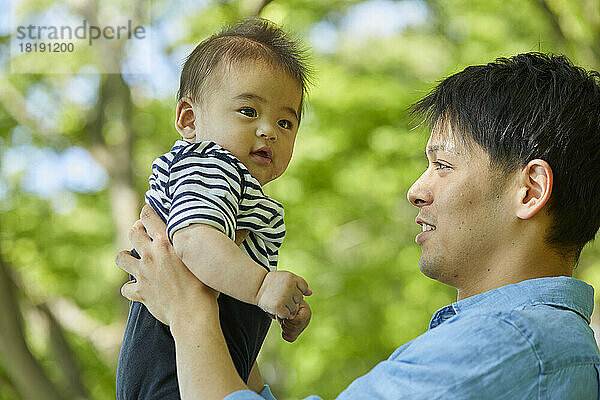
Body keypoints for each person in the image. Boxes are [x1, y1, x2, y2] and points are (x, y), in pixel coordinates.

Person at [116, 52, 600, 399]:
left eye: (444, 165)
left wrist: (188, 312)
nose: (416, 189)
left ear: (530, 190)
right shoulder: (532, 346)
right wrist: (222, 322)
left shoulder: (506, 345)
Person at [115, 18, 313, 400]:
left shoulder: (239, 189)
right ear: (189, 120)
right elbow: (193, 240)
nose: (269, 130)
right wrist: (262, 287)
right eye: (248, 112)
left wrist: (281, 306)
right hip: (170, 369)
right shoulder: (212, 162)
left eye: (285, 122)